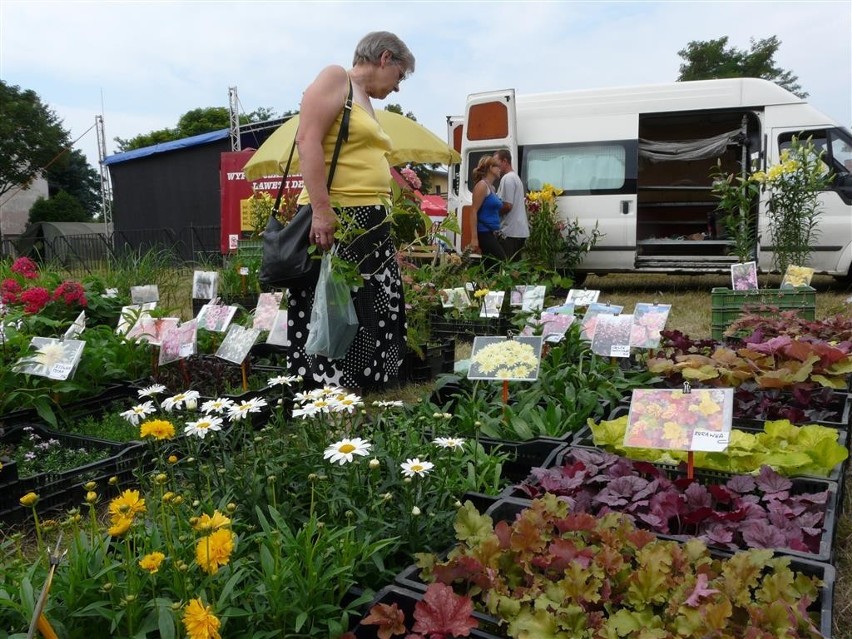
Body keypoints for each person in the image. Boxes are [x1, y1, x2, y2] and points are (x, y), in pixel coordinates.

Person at [287, 31, 414, 392]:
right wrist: (322, 211)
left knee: (369, 303)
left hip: (369, 220)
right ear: (385, 58)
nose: (398, 86)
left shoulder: (364, 100)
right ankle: (327, 384)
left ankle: (363, 382)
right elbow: (307, 140)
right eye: (400, 75)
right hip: (343, 217)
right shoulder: (335, 78)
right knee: (337, 300)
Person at [469, 156, 507, 266]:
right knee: (500, 261)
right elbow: (473, 211)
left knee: (490, 266)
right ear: (491, 168)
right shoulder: (482, 186)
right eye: (498, 167)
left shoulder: (492, 188)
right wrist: (474, 238)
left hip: (492, 232)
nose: (500, 169)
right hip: (484, 232)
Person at [493, 149, 529, 260]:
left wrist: (493, 213)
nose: (495, 166)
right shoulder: (515, 177)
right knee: (515, 267)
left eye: (496, 162)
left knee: (506, 266)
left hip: (510, 232)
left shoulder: (507, 178)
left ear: (505, 161)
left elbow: (508, 205)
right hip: (519, 232)